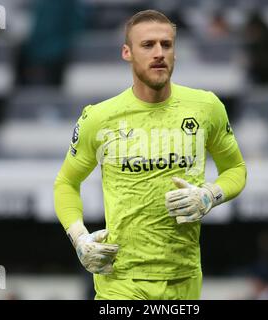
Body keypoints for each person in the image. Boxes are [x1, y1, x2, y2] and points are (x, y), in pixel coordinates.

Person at [54, 10, 247, 300]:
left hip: (184, 277)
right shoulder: (99, 118)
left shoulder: (207, 107)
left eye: (166, 45)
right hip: (120, 278)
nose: (159, 53)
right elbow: (66, 183)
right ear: (127, 52)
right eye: (148, 45)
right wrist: (79, 237)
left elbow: (236, 169)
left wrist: (209, 195)